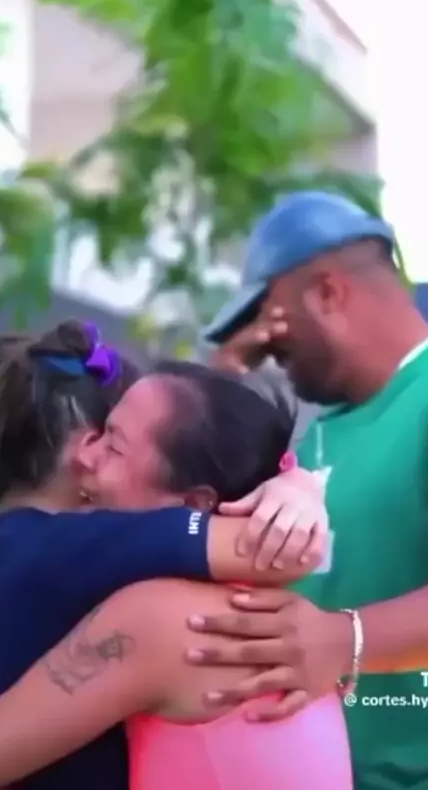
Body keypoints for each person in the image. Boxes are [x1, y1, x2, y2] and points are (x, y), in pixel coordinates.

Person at [0, 321, 327, 790]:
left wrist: (298, 488)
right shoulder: (73, 553)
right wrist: (299, 490)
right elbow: (286, 548)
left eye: (112, 444)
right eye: (102, 437)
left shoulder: (45, 557)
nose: (88, 458)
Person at [188, 190, 428, 790]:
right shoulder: (315, 437)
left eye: (270, 316)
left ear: (326, 293)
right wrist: (223, 383)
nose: (265, 341)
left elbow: (329, 640)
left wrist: (344, 639)